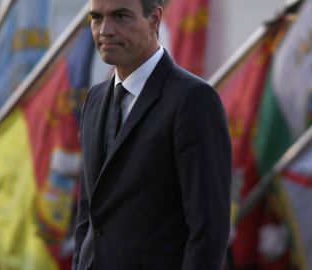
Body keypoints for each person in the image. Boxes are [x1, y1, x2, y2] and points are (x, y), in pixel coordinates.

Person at [72, 0, 232, 269]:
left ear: (155, 20)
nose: (105, 30)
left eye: (120, 16)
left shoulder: (193, 100)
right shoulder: (94, 99)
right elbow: (88, 218)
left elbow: (208, 230)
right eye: (96, 18)